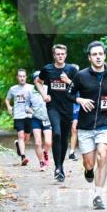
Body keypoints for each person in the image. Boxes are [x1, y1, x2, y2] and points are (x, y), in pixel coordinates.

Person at [70, 41, 107, 210]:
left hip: (105, 124)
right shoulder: (81, 76)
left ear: (104, 56)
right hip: (85, 127)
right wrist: (80, 99)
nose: (98, 57)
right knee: (90, 163)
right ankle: (88, 170)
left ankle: (98, 195)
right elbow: (69, 94)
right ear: (89, 57)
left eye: (100, 54)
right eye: (94, 54)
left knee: (103, 154)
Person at [35, 44, 80, 183]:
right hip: (53, 106)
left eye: (62, 54)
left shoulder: (71, 69)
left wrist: (68, 81)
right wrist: (43, 94)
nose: (60, 56)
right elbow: (38, 82)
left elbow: (79, 87)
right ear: (54, 55)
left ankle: (61, 166)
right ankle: (58, 167)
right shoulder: (48, 69)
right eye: (58, 54)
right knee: (57, 133)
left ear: (65, 55)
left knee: (64, 137)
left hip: (67, 107)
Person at [5, 69, 34, 166]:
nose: (22, 78)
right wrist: (9, 107)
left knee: (26, 138)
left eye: (23, 76)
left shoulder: (32, 88)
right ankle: (23, 157)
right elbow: (7, 99)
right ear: (17, 77)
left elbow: (37, 99)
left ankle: (18, 144)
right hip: (18, 115)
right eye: (20, 76)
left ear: (26, 77)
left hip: (29, 115)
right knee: (21, 136)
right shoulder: (13, 89)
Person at [30, 73, 53, 171]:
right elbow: (26, 105)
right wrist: (30, 110)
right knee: (38, 143)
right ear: (34, 81)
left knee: (48, 142)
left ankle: (45, 152)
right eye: (37, 79)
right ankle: (41, 162)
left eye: (41, 78)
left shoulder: (48, 89)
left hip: (47, 118)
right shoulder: (30, 92)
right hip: (36, 119)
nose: (39, 81)